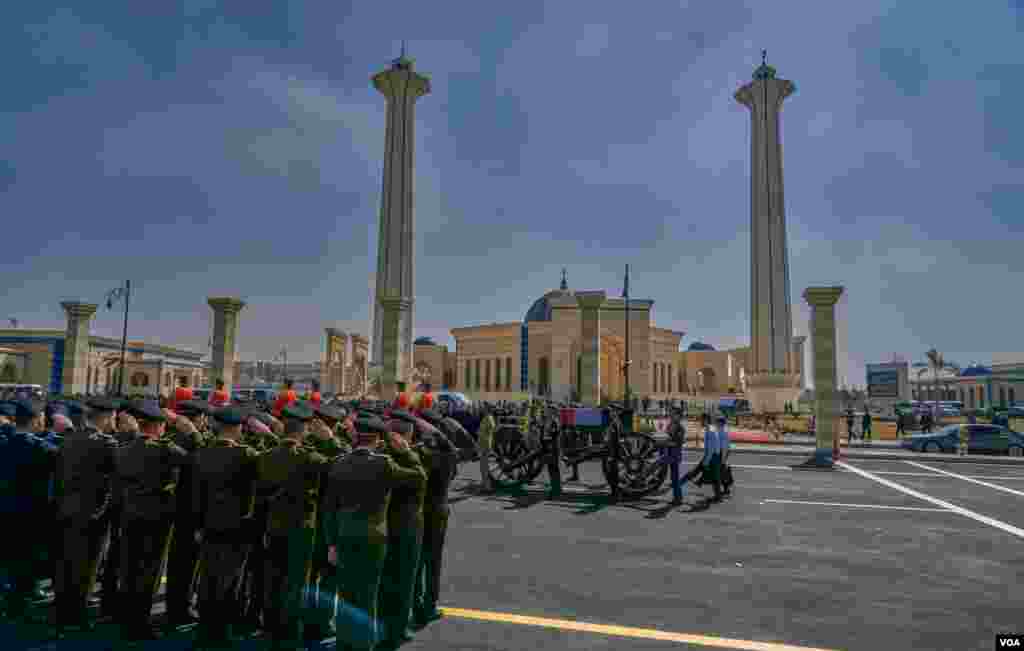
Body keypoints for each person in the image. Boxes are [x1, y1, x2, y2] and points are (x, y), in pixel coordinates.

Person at [322, 417, 426, 651]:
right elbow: (419, 478)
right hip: (374, 538)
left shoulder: (338, 463)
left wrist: (331, 543)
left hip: (344, 535)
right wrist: (407, 452)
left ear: (355, 436)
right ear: (377, 439)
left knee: (346, 592)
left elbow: (329, 508)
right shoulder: (384, 464)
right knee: (368, 594)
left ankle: (344, 643)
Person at [112, 400, 188, 642]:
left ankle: (126, 619)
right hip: (157, 518)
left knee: (130, 569)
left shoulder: (123, 449)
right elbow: (193, 457)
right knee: (149, 571)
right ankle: (140, 623)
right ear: (156, 426)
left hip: (130, 514)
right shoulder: (165, 450)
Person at [257, 402, 329, 650]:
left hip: (274, 525)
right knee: (296, 581)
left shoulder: (266, 456)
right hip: (302, 527)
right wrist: (329, 439)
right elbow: (338, 461)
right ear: (303, 430)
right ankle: (290, 632)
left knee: (274, 578)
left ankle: (271, 628)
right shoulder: (311, 458)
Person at [192, 405, 261, 648]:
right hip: (238, 526)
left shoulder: (203, 453)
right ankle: (221, 631)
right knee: (231, 580)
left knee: (208, 577)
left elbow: (196, 494)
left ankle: (205, 628)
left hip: (209, 523)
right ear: (238, 428)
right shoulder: (247, 455)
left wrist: (198, 524)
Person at [53, 399, 118, 637]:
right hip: (93, 514)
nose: (113, 422)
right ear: (103, 418)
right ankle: (77, 616)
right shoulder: (107, 444)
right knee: (87, 566)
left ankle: (61, 612)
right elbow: (117, 477)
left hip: (66, 509)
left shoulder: (68, 439)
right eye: (112, 418)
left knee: (66, 561)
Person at [0, 399, 59, 621]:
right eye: (42, 419)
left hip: (6, 508)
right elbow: (63, 457)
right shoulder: (39, 447)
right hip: (31, 513)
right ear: (35, 421)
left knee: (9, 558)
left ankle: (11, 601)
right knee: (26, 561)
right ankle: (18, 607)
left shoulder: (5, 442)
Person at [377, 414, 427, 649]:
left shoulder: (380, 457)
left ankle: (382, 624)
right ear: (406, 437)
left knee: (385, 580)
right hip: (407, 528)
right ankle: (397, 630)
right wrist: (407, 452)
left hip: (383, 525)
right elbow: (421, 478)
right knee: (405, 580)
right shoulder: (413, 459)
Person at [163, 401, 210, 629]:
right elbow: (200, 464)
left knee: (178, 564)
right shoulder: (189, 441)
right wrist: (193, 434)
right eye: (202, 418)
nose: (205, 422)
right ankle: (179, 610)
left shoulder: (173, 438)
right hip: (188, 511)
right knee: (185, 564)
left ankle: (177, 607)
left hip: (175, 509)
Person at [413, 421, 458, 630]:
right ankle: (430, 605)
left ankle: (415, 602)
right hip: (438, 513)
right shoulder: (448, 457)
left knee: (418, 560)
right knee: (433, 563)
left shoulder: (421, 458)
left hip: (420, 513)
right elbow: (452, 452)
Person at [476, 405, 496, 492]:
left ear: (487, 410)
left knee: (484, 467)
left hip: (484, 444)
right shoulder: (488, 418)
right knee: (484, 467)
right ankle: (485, 485)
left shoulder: (488, 418)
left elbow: (485, 431)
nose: (482, 409)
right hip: (485, 443)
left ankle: (487, 487)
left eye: (484, 408)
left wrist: (479, 432)